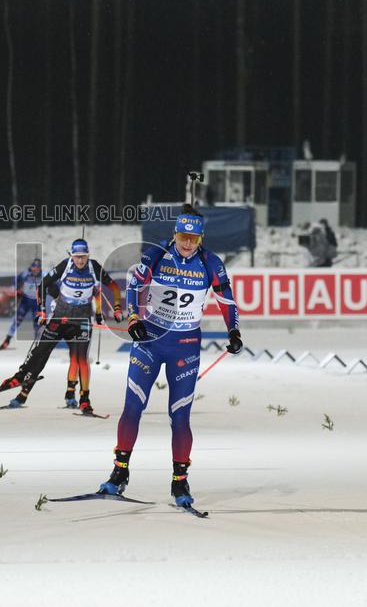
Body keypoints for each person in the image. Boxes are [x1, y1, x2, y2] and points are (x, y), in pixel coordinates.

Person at [98, 205, 242, 508]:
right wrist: (134, 319)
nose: (186, 242)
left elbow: (226, 298)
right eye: (182, 236)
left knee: (180, 417)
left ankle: (180, 481)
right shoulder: (156, 255)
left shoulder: (210, 262)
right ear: (174, 233)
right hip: (150, 341)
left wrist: (233, 331)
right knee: (132, 408)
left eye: (193, 237)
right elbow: (135, 284)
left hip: (185, 345)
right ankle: (119, 472)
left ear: (201, 238)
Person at [0, 238, 122, 414]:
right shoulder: (65, 266)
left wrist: (116, 309)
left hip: (81, 321)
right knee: (40, 352)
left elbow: (115, 288)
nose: (80, 260)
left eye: (83, 256)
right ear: (72, 255)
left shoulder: (94, 268)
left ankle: (84, 399)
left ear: (88, 255)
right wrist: (41, 311)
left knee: (80, 360)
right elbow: (43, 285)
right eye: (77, 256)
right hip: (60, 318)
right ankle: (21, 387)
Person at [0, 258, 43, 350]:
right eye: (33, 268)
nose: (34, 270)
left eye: (37, 268)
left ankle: (38, 344)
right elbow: (16, 280)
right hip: (25, 300)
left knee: (37, 324)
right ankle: (7, 340)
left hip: (36, 302)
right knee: (17, 321)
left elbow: (54, 281)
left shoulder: (44, 275)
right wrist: (17, 289)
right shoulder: (26, 273)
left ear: (40, 268)